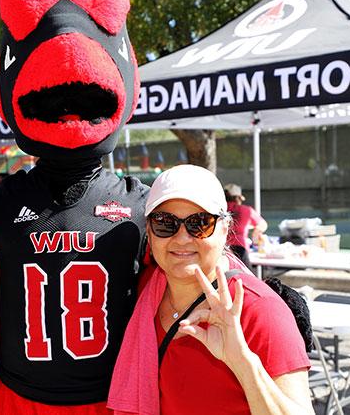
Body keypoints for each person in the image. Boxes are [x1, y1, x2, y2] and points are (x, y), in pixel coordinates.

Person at [0, 0, 148, 414]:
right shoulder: (0, 201)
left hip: (108, 399)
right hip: (19, 398)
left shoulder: (142, 205)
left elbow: (198, 254)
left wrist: (261, 296)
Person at [108, 165, 312, 415]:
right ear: (149, 233)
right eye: (165, 223)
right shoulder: (146, 290)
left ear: (225, 230)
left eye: (200, 223)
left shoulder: (258, 309)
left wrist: (243, 363)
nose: (182, 238)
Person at [224, 183, 267, 269]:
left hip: (222, 249)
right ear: (238, 198)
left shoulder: (219, 209)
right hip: (240, 249)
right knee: (247, 278)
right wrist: (256, 232)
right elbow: (263, 224)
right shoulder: (246, 210)